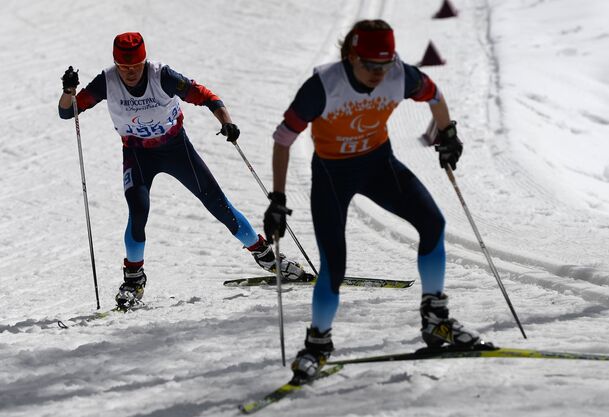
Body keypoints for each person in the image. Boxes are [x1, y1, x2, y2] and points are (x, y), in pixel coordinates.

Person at [263, 20, 485, 383]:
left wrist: (448, 133)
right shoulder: (322, 86)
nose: (378, 75)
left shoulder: (401, 76)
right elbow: (283, 139)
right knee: (334, 265)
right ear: (351, 56)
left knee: (433, 225)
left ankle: (436, 320)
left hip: (379, 165)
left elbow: (434, 94)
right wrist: (277, 198)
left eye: (384, 65)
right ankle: (318, 344)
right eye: (369, 65)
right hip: (333, 175)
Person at [58, 32, 305, 309]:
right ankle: (133, 280)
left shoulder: (161, 75)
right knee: (138, 210)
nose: (129, 73)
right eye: (124, 67)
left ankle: (267, 257)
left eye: (135, 67)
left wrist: (227, 122)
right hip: (137, 154)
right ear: (116, 63)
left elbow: (207, 96)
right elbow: (68, 112)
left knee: (217, 202)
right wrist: (69, 92)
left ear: (144, 61)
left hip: (176, 149)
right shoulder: (107, 81)